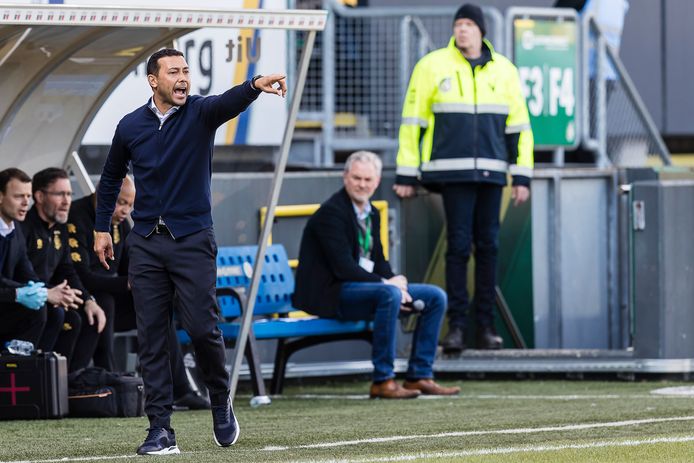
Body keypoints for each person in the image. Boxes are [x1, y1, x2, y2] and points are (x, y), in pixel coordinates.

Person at [94, 48, 287, 455]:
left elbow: (227, 101)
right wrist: (101, 230)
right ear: (153, 80)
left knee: (202, 328)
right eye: (174, 72)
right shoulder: (130, 126)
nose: (184, 78)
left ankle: (220, 398)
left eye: (186, 71)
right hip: (145, 242)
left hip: (193, 240)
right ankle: (160, 429)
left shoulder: (201, 113)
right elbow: (111, 175)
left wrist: (254, 85)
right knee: (152, 337)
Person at [393, 4, 534, 353]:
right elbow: (413, 122)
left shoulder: (505, 71)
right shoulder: (431, 66)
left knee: (489, 247)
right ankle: (456, 327)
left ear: (482, 30)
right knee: (458, 247)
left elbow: (520, 128)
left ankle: (485, 327)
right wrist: (406, 174)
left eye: (470, 24)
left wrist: (522, 177)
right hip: (450, 173)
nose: (463, 30)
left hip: (492, 173)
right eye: (459, 24)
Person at [293, 151, 460, 399]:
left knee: (435, 296)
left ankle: (419, 375)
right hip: (331, 293)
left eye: (368, 180)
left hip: (366, 289)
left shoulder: (372, 212)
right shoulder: (331, 213)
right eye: (357, 178)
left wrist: (396, 281)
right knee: (389, 293)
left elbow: (378, 261)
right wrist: (389, 284)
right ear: (345, 177)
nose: (362, 184)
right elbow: (344, 268)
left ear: (377, 181)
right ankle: (383, 380)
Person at [68, 177, 208, 409]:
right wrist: (128, 284)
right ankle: (112, 385)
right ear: (102, 196)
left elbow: (128, 268)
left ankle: (181, 389)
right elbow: (82, 275)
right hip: (82, 299)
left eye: (130, 204)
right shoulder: (77, 217)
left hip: (110, 299)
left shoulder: (120, 223)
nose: (126, 211)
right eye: (121, 203)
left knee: (157, 306)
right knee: (105, 301)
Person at [20, 168, 107, 366]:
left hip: (51, 297)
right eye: (60, 194)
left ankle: (71, 384)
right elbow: (21, 273)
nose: (67, 201)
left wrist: (87, 300)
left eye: (69, 194)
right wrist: (50, 293)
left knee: (91, 315)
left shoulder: (59, 227)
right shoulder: (24, 226)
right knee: (64, 317)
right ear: (40, 196)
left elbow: (66, 270)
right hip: (28, 300)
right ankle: (42, 378)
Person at [0, 168, 48, 347]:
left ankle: (30, 366)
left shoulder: (15, 229)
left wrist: (45, 291)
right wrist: (18, 293)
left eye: (28, 197)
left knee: (51, 309)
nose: (26, 203)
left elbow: (27, 273)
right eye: (19, 196)